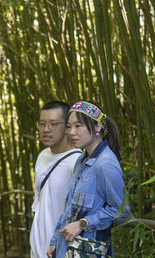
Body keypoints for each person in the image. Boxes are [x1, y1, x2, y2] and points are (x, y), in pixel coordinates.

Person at [47, 101, 129, 258]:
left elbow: (121, 210)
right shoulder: (82, 159)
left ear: (97, 127)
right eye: (69, 127)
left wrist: (82, 223)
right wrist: (55, 241)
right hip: (66, 248)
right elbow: (69, 208)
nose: (71, 132)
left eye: (78, 126)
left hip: (88, 251)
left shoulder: (105, 164)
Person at [30, 101, 82, 258]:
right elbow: (38, 206)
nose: (46, 130)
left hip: (61, 250)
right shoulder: (42, 156)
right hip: (37, 249)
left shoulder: (78, 162)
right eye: (42, 124)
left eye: (53, 124)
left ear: (67, 127)